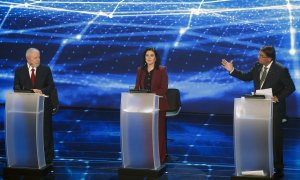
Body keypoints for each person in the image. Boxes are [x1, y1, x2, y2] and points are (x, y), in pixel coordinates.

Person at [221, 45, 295, 178]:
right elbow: (246, 77)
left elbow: (290, 88)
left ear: (269, 59)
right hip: (258, 107)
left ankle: (278, 168)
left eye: (262, 56)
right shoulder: (257, 66)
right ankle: (260, 163)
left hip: (274, 109)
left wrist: (278, 97)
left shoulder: (281, 70)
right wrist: (232, 70)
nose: (258, 57)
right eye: (259, 54)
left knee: (275, 138)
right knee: (259, 136)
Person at [14, 47, 55, 164]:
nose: (38, 60)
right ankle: (28, 156)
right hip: (27, 107)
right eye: (35, 57)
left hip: (43, 107)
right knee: (28, 133)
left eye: (39, 57)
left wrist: (41, 91)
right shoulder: (19, 71)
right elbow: (16, 88)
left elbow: (51, 86)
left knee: (45, 133)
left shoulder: (46, 69)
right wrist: (31, 91)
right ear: (28, 59)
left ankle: (47, 158)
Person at [135, 48, 169, 164]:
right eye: (147, 55)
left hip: (158, 105)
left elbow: (164, 89)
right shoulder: (140, 70)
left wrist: (150, 95)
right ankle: (147, 156)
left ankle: (160, 158)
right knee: (146, 133)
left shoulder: (162, 70)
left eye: (151, 55)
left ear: (155, 58)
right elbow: (137, 88)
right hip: (144, 106)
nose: (149, 58)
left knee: (159, 133)